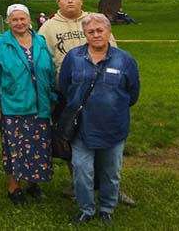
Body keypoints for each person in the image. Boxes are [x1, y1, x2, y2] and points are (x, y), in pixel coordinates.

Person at [38, 0, 136, 206]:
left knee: (106, 143)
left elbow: (116, 56)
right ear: (58, 3)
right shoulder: (49, 28)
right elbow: (43, 61)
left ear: (81, 0)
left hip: (103, 93)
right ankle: (78, 183)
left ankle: (110, 187)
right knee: (72, 141)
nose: (70, 1)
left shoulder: (96, 22)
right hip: (68, 94)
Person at [59, 14, 140, 225]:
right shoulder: (73, 57)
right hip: (82, 128)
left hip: (113, 127)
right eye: (91, 31)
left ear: (108, 31)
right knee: (82, 170)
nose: (96, 35)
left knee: (111, 172)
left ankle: (107, 208)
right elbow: (65, 86)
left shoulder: (125, 59)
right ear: (85, 34)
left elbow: (133, 93)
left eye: (100, 30)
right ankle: (86, 209)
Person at [0, 4, 56, 205]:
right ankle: (14, 188)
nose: (19, 23)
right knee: (15, 148)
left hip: (39, 103)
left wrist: (51, 96)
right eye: (15, 19)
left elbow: (49, 69)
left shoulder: (40, 41)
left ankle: (32, 183)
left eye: (22, 19)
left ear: (29, 20)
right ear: (8, 22)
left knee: (37, 147)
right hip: (13, 104)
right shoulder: (1, 43)